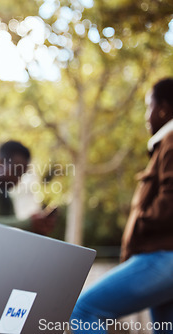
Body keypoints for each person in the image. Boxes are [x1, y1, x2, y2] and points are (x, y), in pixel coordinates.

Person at [70, 78, 173, 334]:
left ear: (163, 108)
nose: (146, 116)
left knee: (83, 311)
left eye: (148, 106)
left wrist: (140, 223)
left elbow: (170, 200)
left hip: (163, 255)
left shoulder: (171, 139)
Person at [0, 140, 56, 236]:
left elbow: (10, 232)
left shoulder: (5, 196)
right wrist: (28, 223)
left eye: (21, 175)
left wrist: (35, 229)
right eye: (16, 172)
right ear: (0, 162)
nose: (18, 180)